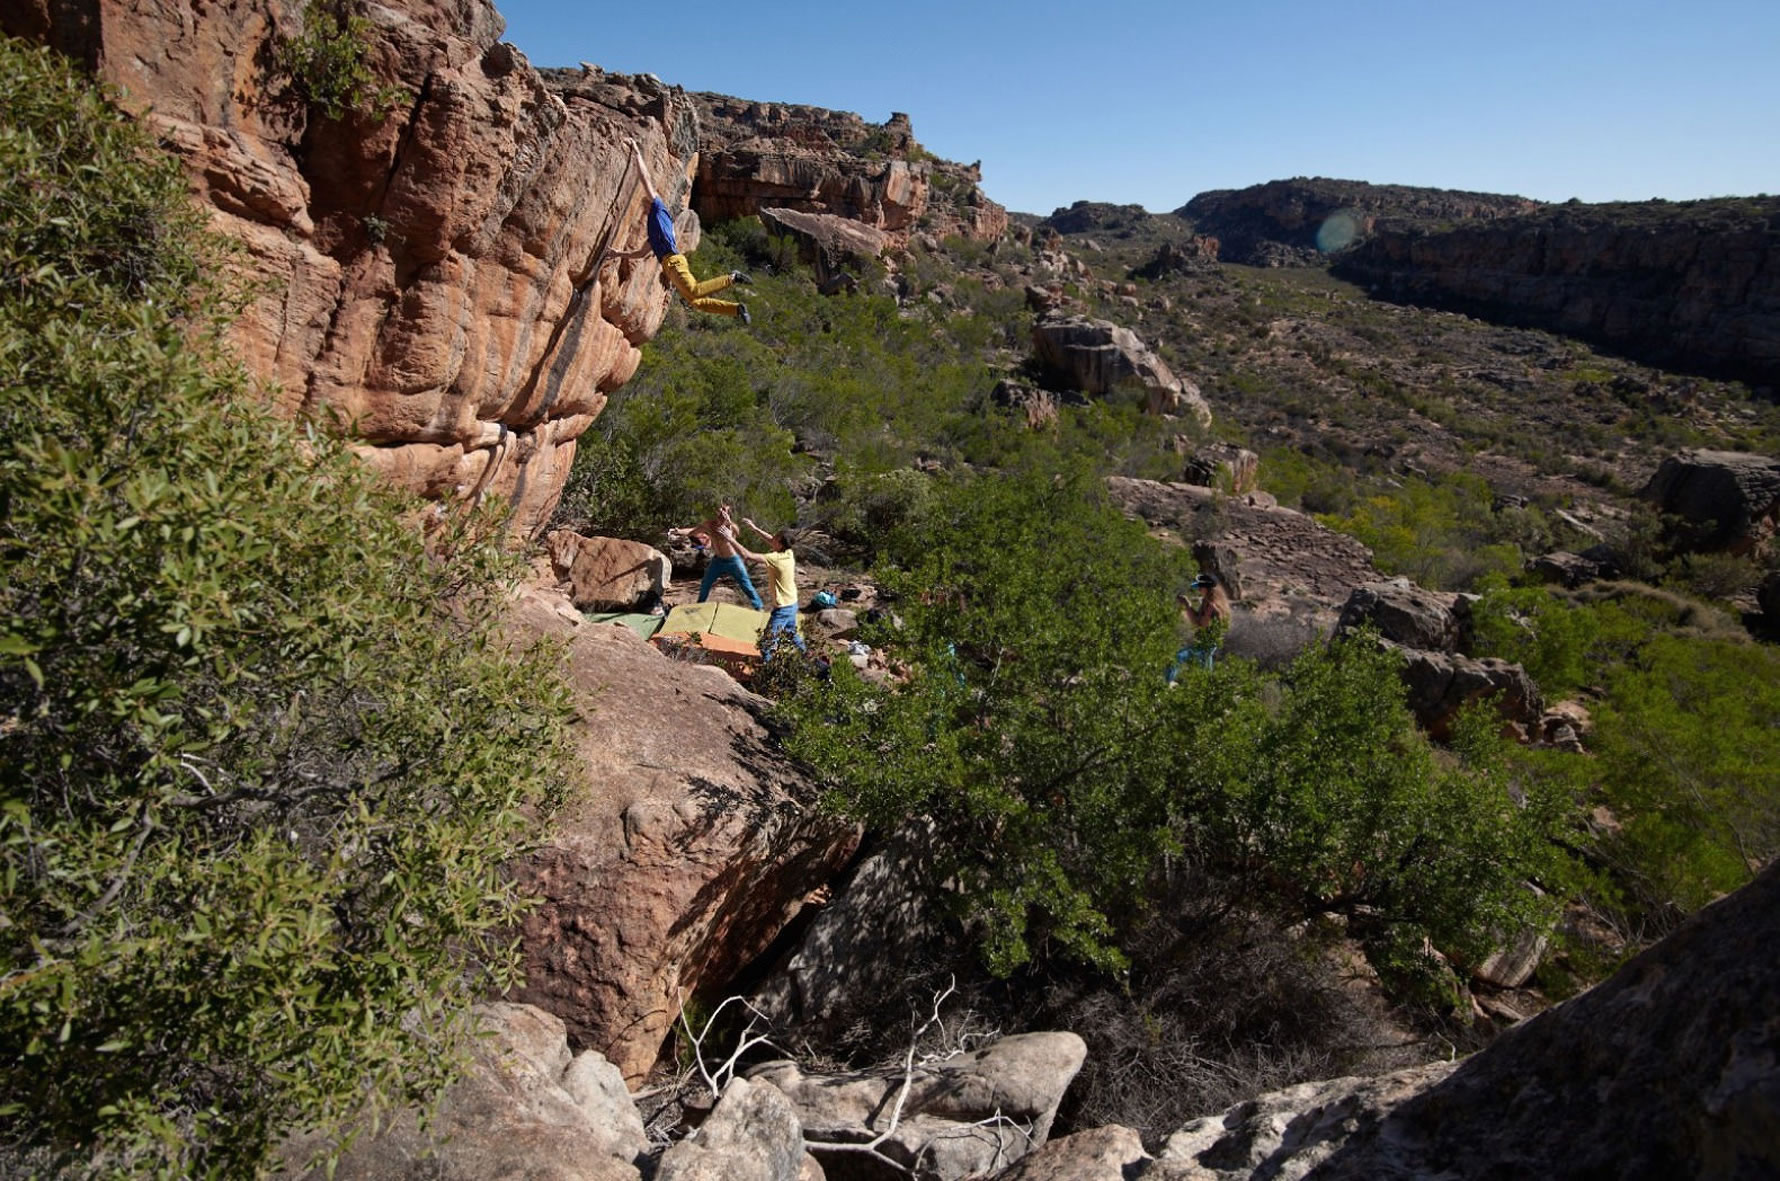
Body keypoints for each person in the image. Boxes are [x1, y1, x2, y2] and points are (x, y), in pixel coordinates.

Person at [615, 137, 752, 323]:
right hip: (671, 266)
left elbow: (645, 179)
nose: (642, 207)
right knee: (696, 302)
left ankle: (733, 277)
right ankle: (736, 310)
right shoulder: (653, 231)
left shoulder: (659, 208)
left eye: (643, 205)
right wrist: (617, 253)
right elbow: (639, 254)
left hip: (674, 263)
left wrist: (637, 152)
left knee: (695, 291)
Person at [720, 516, 806, 654]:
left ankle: (768, 668)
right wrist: (754, 528)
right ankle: (807, 656)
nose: (772, 539)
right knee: (792, 635)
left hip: (783, 608)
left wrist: (731, 539)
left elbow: (747, 555)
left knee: (767, 642)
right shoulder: (788, 552)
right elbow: (771, 539)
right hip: (792, 603)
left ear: (780, 544)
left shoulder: (775, 559)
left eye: (776, 538)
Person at [673, 504, 763, 610]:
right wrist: (679, 531)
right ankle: (700, 605)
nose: (721, 514)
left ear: (728, 514)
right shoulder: (709, 524)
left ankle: (758, 607)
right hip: (718, 560)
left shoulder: (732, 527)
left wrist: (728, 522)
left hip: (733, 560)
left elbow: (736, 532)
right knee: (706, 583)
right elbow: (694, 531)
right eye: (719, 512)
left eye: (724, 512)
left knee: (745, 584)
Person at [1167, 572, 1232, 682]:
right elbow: (1197, 621)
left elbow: (1201, 625)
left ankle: (1165, 685)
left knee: (1178, 658)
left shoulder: (1212, 606)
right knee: (1205, 673)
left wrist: (1206, 615)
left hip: (1207, 643)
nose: (1199, 589)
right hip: (1205, 643)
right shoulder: (1206, 603)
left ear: (1207, 588)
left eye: (1200, 587)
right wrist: (1187, 606)